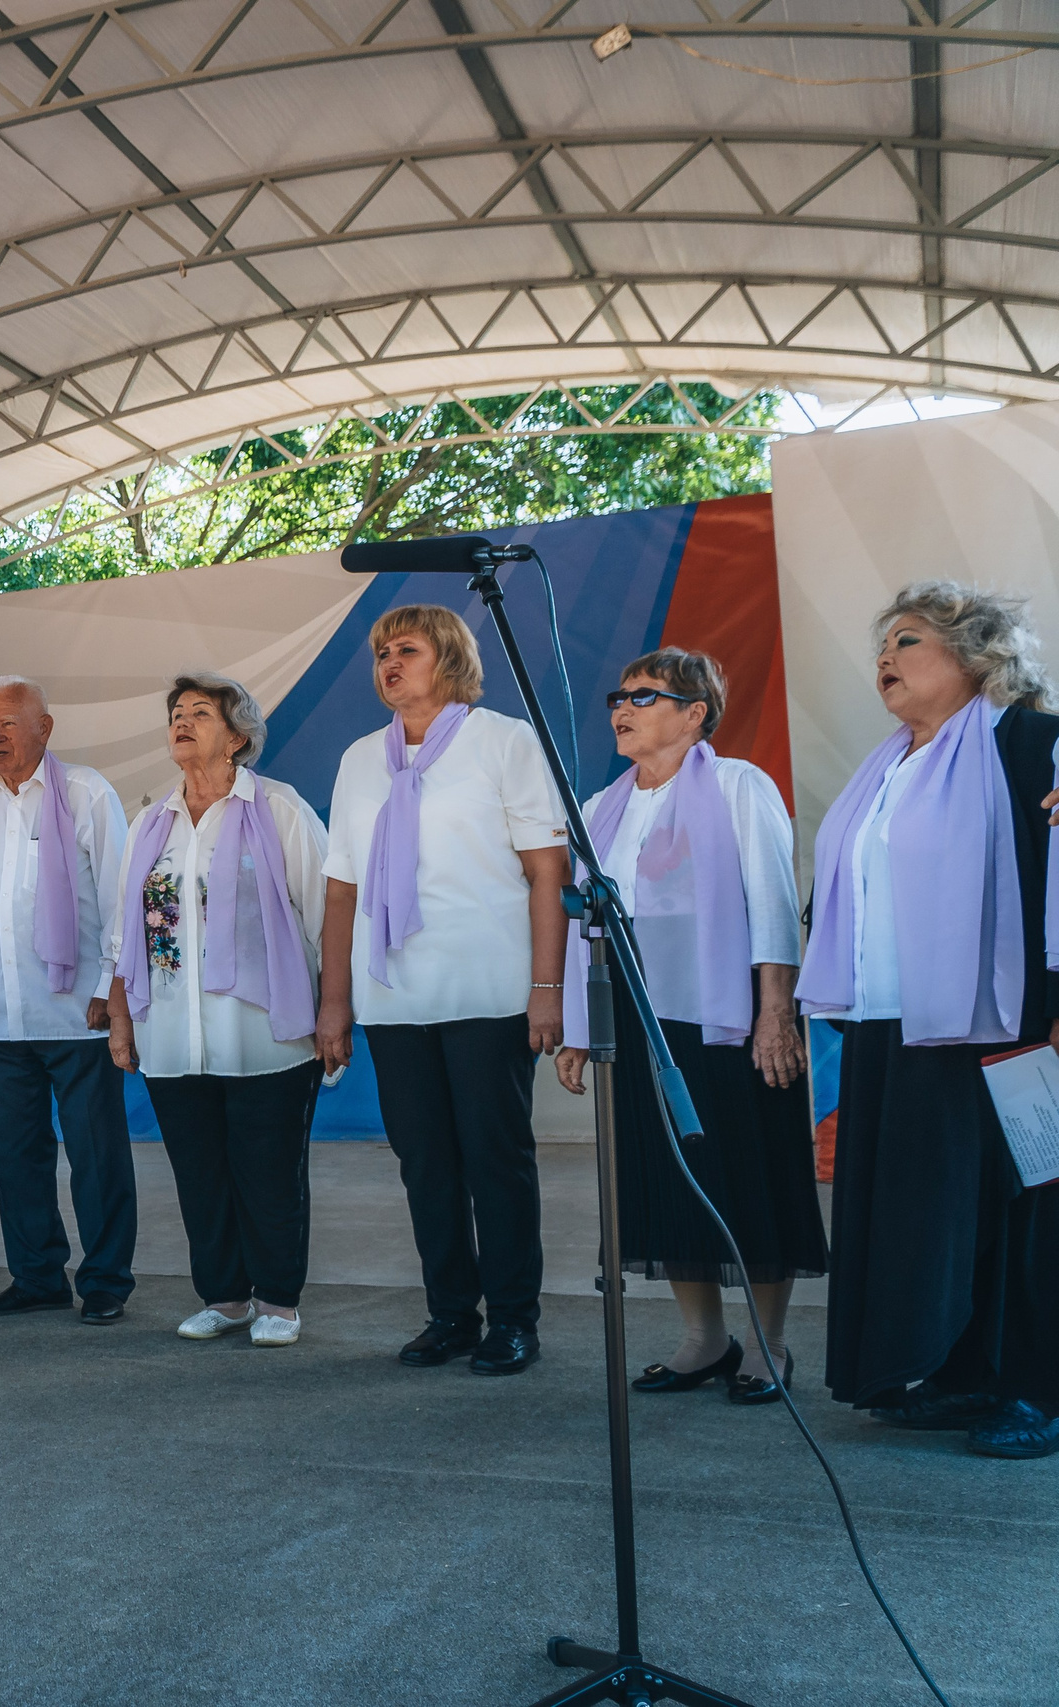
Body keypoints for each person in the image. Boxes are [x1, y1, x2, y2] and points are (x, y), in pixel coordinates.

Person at [800, 582, 1059, 1461]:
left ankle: (1037, 1388)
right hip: (893, 1019)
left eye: (908, 641)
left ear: (978, 656)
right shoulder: (893, 764)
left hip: (1005, 1021)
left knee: (1024, 1209)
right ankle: (958, 1371)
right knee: (935, 1211)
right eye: (882, 645)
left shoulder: (1031, 743)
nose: (886, 659)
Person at [553, 649, 826, 1404]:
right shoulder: (604, 803)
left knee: (746, 1166)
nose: (622, 706)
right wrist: (581, 1024)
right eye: (619, 694)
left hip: (726, 1010)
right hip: (637, 1009)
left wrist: (776, 1010)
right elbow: (590, 924)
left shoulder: (739, 785)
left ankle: (768, 1344)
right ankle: (704, 1338)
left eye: (644, 695)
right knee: (663, 1168)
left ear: (696, 711)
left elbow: (772, 901)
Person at [317, 605, 570, 1377]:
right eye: (381, 652)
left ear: (450, 657)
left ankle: (515, 1319)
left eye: (407, 649)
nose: (389, 662)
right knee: (425, 1163)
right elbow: (339, 890)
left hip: (488, 990)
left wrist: (547, 987)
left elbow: (547, 871)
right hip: (394, 998)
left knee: (496, 1160)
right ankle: (451, 1313)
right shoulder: (362, 758)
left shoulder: (504, 741)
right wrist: (334, 1000)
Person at [105, 675, 328, 1345]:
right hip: (173, 1033)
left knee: (269, 1172)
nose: (182, 721)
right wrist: (121, 1019)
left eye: (200, 712)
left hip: (266, 1033)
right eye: (176, 712)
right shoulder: (153, 822)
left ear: (236, 737)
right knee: (199, 1174)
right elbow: (125, 934)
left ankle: (279, 1300)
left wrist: (333, 1011)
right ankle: (225, 1296)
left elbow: (322, 917)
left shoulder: (280, 810)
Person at [0, 678, 133, 1325]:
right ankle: (37, 1275)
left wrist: (110, 986)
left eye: (8, 723)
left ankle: (104, 1280)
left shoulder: (86, 793)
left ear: (45, 728)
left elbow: (122, 897)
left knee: (96, 1156)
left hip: (78, 1014)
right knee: (15, 1157)